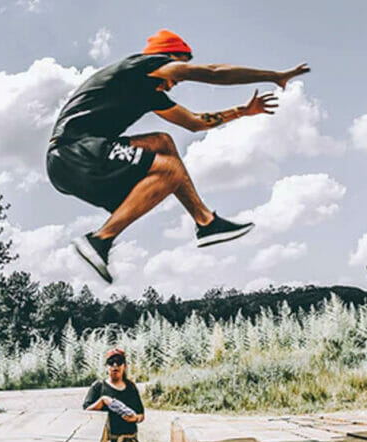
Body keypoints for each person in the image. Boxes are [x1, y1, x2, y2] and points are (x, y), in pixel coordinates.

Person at [47, 28, 311, 283]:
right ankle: (100, 239)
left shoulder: (150, 93)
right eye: (178, 72)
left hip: (77, 158)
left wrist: (243, 111)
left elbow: (195, 122)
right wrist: (274, 76)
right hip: (74, 151)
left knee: (163, 142)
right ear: (170, 58)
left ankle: (206, 222)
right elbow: (213, 73)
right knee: (169, 169)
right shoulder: (144, 65)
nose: (174, 83)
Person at [83, 348, 145, 442]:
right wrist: (102, 401)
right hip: (107, 441)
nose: (115, 366)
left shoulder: (131, 387)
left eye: (119, 362)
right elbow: (85, 414)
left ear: (124, 366)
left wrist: (135, 418)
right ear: (106, 367)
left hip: (129, 441)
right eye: (111, 362)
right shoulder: (98, 387)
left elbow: (141, 414)